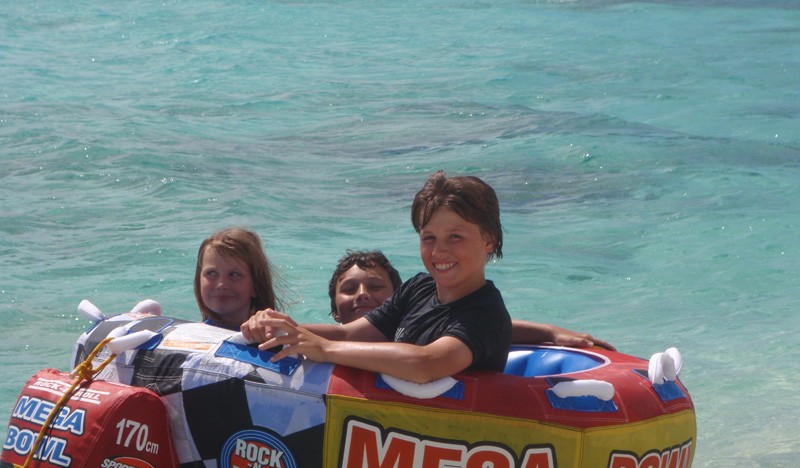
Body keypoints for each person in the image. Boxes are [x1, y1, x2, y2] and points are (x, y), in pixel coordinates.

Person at [242, 171, 512, 383]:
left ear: (488, 240)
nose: (439, 251)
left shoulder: (487, 313)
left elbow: (427, 364)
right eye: (429, 238)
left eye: (455, 237)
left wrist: (324, 349)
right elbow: (347, 334)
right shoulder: (419, 288)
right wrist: (279, 328)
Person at [328, 249, 614, 349]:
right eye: (349, 289)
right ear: (335, 312)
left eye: (375, 286)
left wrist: (549, 332)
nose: (362, 294)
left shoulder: (409, 328)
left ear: (397, 300)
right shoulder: (325, 344)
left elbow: (476, 327)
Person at [194, 227, 282, 331]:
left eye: (234, 275)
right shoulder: (188, 334)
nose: (221, 284)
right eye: (211, 273)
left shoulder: (274, 335)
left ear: (255, 286)